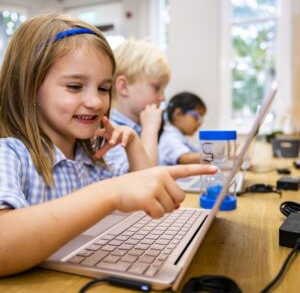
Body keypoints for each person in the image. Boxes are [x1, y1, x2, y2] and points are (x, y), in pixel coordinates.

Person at [0, 14, 216, 277]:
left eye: (103, 88)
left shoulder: (91, 156)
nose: (95, 101)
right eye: (74, 86)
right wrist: (109, 192)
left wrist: (134, 144)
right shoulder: (10, 154)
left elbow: (141, 210)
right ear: (29, 88)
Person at [104, 39, 171, 171]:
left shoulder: (139, 125)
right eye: (157, 87)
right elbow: (145, 179)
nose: (163, 97)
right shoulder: (111, 129)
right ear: (124, 87)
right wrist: (150, 129)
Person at [159, 91, 207, 165]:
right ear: (178, 114)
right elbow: (185, 158)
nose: (200, 123)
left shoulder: (179, 137)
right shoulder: (170, 137)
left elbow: (195, 151)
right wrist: (216, 155)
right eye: (197, 117)